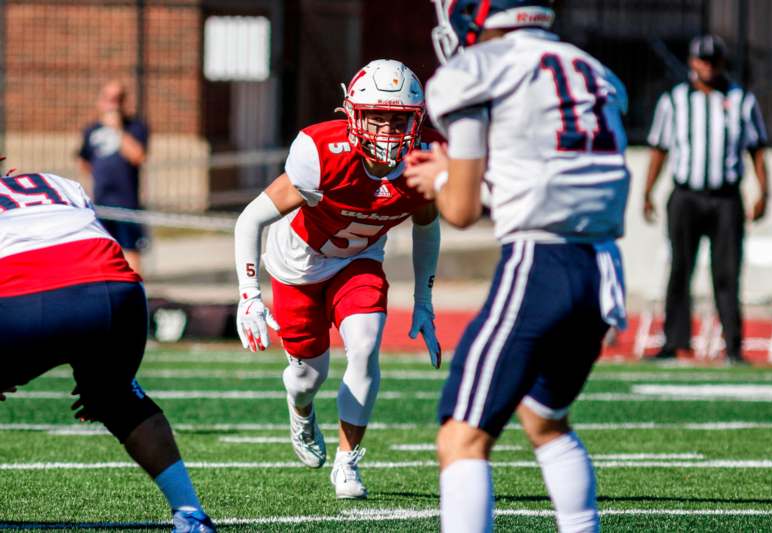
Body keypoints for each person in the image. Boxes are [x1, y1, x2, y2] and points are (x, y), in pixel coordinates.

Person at [405, 1, 629, 531]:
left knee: (461, 437)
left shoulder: (478, 69)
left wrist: (440, 181)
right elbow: (545, 168)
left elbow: (458, 212)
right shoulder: (592, 70)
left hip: (539, 262)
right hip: (603, 266)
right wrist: (465, 175)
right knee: (545, 420)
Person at [233, 59, 442, 500]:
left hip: (358, 260)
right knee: (308, 377)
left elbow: (427, 225)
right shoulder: (320, 152)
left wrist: (423, 299)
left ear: (417, 120)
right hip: (298, 265)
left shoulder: (425, 162)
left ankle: (348, 462)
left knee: (365, 347)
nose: (387, 131)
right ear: (353, 115)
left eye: (399, 119)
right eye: (377, 118)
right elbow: (250, 218)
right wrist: (250, 295)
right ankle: (301, 409)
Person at [0, 169, 215, 532]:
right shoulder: (59, 183)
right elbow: (93, 242)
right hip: (117, 292)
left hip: (25, 293)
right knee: (120, 400)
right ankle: (191, 514)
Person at [643, 34, 770, 363]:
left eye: (713, 61)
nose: (708, 67)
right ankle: (675, 342)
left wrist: (763, 192)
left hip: (726, 197)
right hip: (685, 194)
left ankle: (734, 346)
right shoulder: (674, 100)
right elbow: (659, 149)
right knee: (680, 270)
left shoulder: (742, 100)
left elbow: (757, 150)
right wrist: (647, 192)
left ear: (722, 63)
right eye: (703, 60)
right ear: (691, 62)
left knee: (727, 272)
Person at [78, 80, 149, 275]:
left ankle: (135, 296)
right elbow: (84, 160)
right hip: (101, 202)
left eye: (118, 99)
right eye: (109, 99)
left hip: (126, 202)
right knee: (102, 253)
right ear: (100, 101)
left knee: (129, 251)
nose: (113, 104)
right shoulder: (91, 130)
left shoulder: (135, 127)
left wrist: (117, 129)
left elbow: (138, 156)